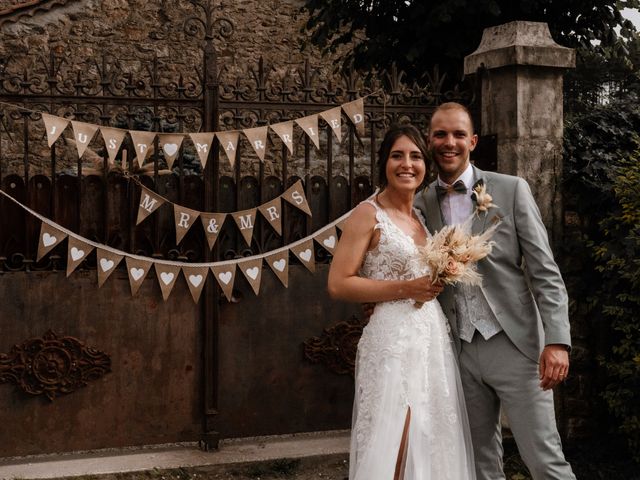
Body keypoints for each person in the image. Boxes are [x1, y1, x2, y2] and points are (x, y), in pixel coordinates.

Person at [413, 102, 576, 479]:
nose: (448, 142)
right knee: (478, 464)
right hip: (457, 351)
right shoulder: (420, 204)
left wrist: (557, 342)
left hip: (517, 347)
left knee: (544, 460)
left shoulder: (511, 189)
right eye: (440, 134)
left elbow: (544, 272)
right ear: (429, 140)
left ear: (472, 141)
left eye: (457, 134)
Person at [328, 124, 476, 480]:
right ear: (384, 164)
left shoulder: (421, 219)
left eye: (415, 157)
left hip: (431, 340)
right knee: (394, 438)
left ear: (426, 166)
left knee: (430, 440)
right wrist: (406, 289)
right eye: (397, 156)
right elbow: (338, 283)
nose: (406, 164)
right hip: (392, 342)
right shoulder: (367, 214)